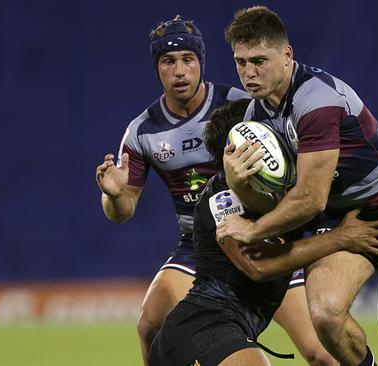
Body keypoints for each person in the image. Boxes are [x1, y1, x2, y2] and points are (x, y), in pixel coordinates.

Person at [95, 15, 338, 366]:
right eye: (168, 61)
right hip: (200, 248)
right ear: (157, 68)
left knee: (318, 351)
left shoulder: (241, 105)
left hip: (262, 236)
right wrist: (115, 195)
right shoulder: (142, 131)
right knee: (149, 323)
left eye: (187, 60)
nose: (179, 71)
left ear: (200, 63)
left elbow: (301, 153)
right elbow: (122, 211)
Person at [217, 6, 378, 366]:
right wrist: (238, 185)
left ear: (287, 55)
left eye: (259, 60)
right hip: (339, 213)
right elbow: (272, 202)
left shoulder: (316, 100)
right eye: (240, 62)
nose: (248, 73)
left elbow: (309, 199)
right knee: (325, 314)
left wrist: (253, 231)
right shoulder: (254, 116)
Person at [148, 99, 378, 366]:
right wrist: (341, 237)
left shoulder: (286, 191)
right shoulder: (221, 198)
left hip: (225, 331)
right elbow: (258, 265)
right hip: (202, 329)